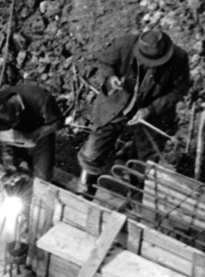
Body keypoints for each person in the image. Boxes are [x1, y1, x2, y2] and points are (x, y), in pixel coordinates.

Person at [77, 27, 193, 194]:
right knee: (93, 151)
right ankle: (85, 191)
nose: (149, 65)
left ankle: (136, 197)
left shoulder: (179, 59)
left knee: (144, 161)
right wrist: (110, 77)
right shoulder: (125, 44)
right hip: (115, 105)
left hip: (153, 115)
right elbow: (104, 62)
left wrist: (150, 109)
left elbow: (178, 91)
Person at [0, 80, 65, 182]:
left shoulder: (41, 99)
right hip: (12, 140)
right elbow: (0, 137)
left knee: (42, 181)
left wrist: (35, 135)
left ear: (18, 115)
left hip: (39, 140)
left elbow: (59, 122)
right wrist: (7, 159)